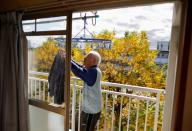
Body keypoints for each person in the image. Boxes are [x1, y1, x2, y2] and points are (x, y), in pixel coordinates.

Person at [71, 51, 102, 131]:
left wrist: (67, 60)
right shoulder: (93, 70)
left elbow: (79, 72)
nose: (84, 58)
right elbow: (80, 68)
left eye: (87, 57)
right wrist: (69, 59)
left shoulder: (93, 72)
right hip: (91, 109)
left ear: (93, 61)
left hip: (91, 111)